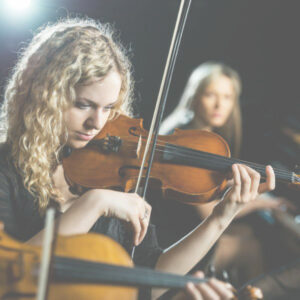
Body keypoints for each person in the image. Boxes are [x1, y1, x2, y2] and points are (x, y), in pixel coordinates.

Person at [0, 19, 276, 300]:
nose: (96, 122)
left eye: (108, 108)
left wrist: (221, 216)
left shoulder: (113, 170)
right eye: (84, 105)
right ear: (46, 95)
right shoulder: (7, 170)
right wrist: (94, 204)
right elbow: (7, 273)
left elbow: (151, 283)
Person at [156, 62, 292, 286]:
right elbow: (208, 211)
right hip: (172, 241)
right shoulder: (191, 143)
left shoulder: (187, 131)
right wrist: (267, 204)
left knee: (247, 231)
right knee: (250, 247)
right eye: (211, 94)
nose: (219, 105)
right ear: (195, 96)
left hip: (179, 228)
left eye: (227, 97)